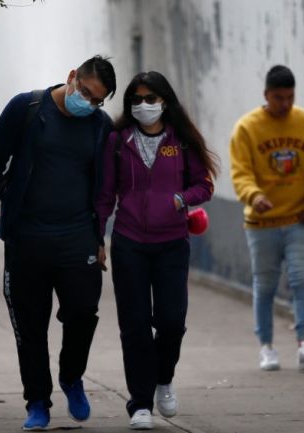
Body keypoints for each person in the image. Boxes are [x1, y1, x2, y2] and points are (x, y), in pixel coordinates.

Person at [0, 55, 116, 431]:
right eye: (85, 92)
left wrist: (99, 234)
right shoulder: (28, 108)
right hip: (26, 239)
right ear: (71, 77)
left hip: (77, 238)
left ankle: (72, 376)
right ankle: (37, 401)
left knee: (83, 313)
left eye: (97, 100)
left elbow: (103, 187)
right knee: (30, 325)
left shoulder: (99, 126)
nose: (87, 103)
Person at [96, 71, 218, 430]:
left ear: (165, 101)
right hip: (129, 242)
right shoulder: (118, 141)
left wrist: (182, 198)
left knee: (171, 321)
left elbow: (204, 185)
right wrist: (96, 239)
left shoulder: (180, 141)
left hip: (171, 244)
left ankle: (164, 378)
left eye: (151, 98)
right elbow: (104, 195)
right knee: (133, 327)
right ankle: (140, 404)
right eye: (137, 99)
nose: (144, 105)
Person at [229, 65, 304, 372]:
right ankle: (267, 347)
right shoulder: (247, 128)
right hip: (261, 224)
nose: (285, 104)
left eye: (290, 97)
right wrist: (253, 195)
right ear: (266, 95)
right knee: (265, 285)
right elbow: (240, 171)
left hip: (299, 219)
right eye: (278, 98)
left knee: (302, 279)